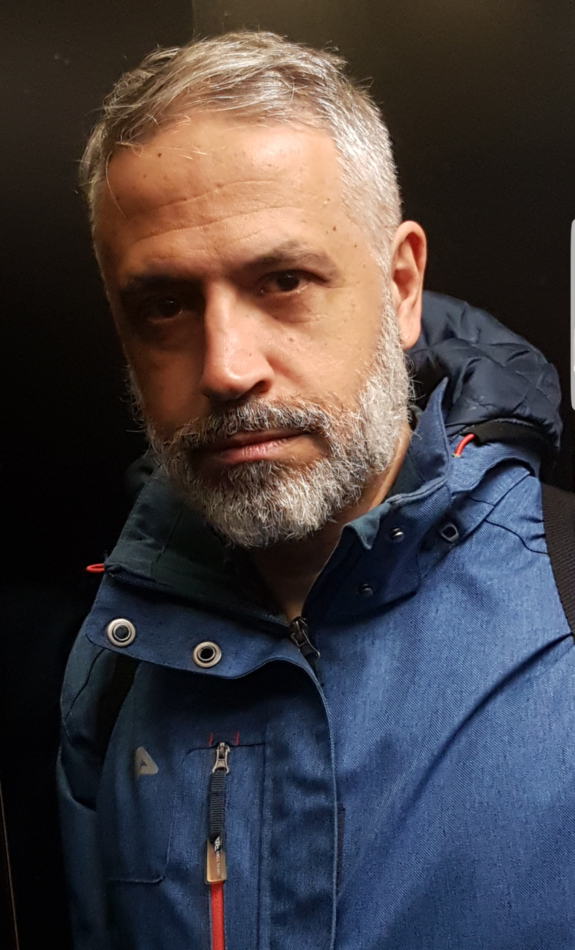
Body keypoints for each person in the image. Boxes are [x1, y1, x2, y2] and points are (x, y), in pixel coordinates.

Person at [58, 31, 574, 950]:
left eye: (283, 280)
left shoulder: (560, 610)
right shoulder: (116, 658)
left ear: (400, 285)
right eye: (164, 306)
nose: (226, 369)